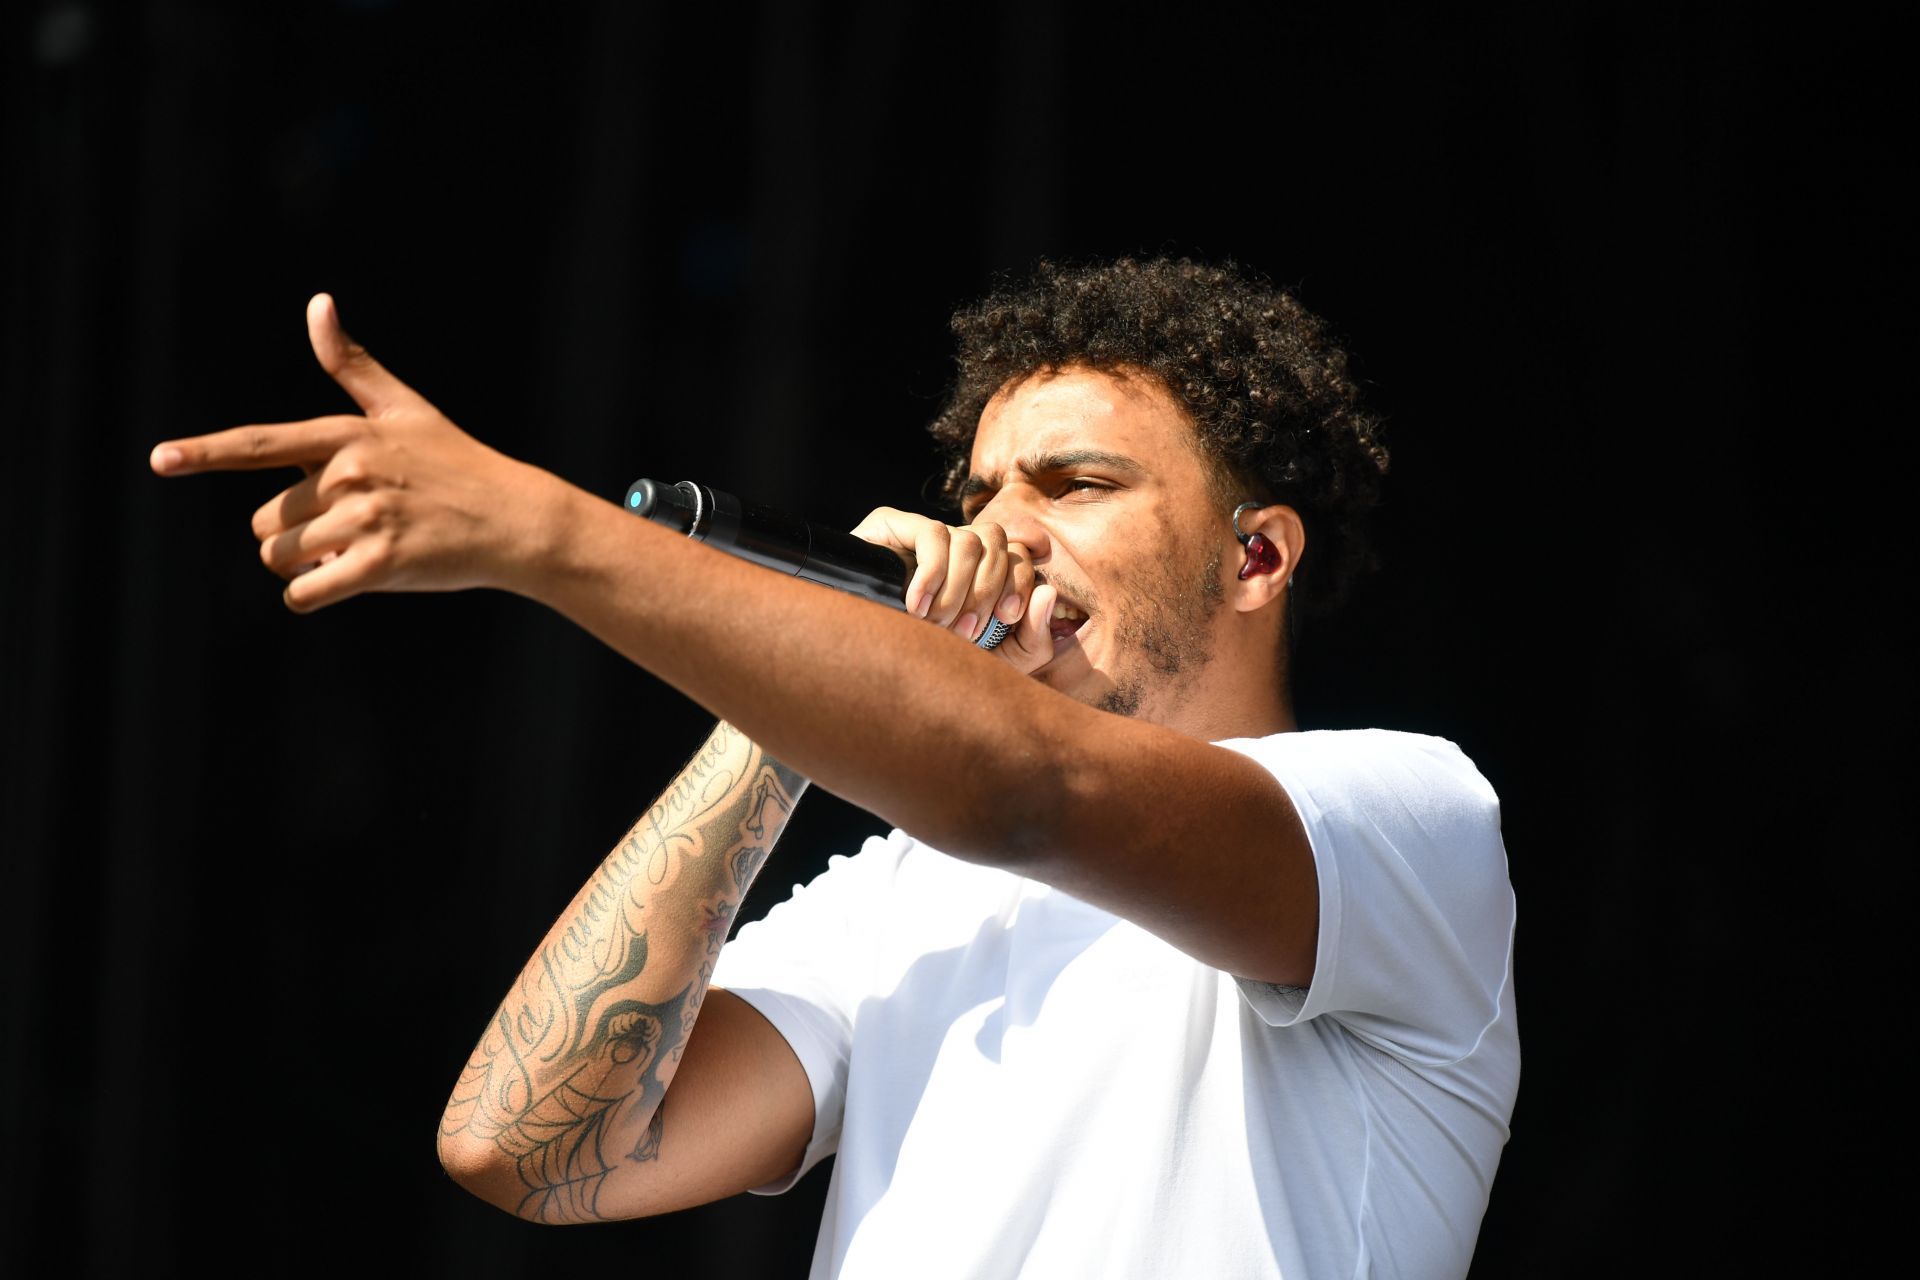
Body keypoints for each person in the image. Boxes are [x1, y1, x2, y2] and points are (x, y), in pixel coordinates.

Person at [150, 257, 1518, 1278]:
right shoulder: (903, 901)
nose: (1003, 532)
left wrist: (548, 535)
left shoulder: (1405, 824)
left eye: (1075, 485)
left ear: (1257, 557)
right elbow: (530, 1150)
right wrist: (783, 710)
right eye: (981, 494)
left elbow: (1030, 791)